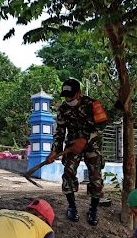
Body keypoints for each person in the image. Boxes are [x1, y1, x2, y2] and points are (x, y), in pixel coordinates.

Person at [45, 78, 108, 226]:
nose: (68, 99)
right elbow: (60, 132)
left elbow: (102, 126)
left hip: (93, 144)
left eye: (71, 96)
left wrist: (85, 139)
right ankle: (72, 207)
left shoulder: (94, 104)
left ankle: (93, 209)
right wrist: (55, 150)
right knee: (68, 171)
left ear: (79, 93)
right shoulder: (63, 109)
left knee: (95, 175)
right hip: (73, 144)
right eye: (66, 96)